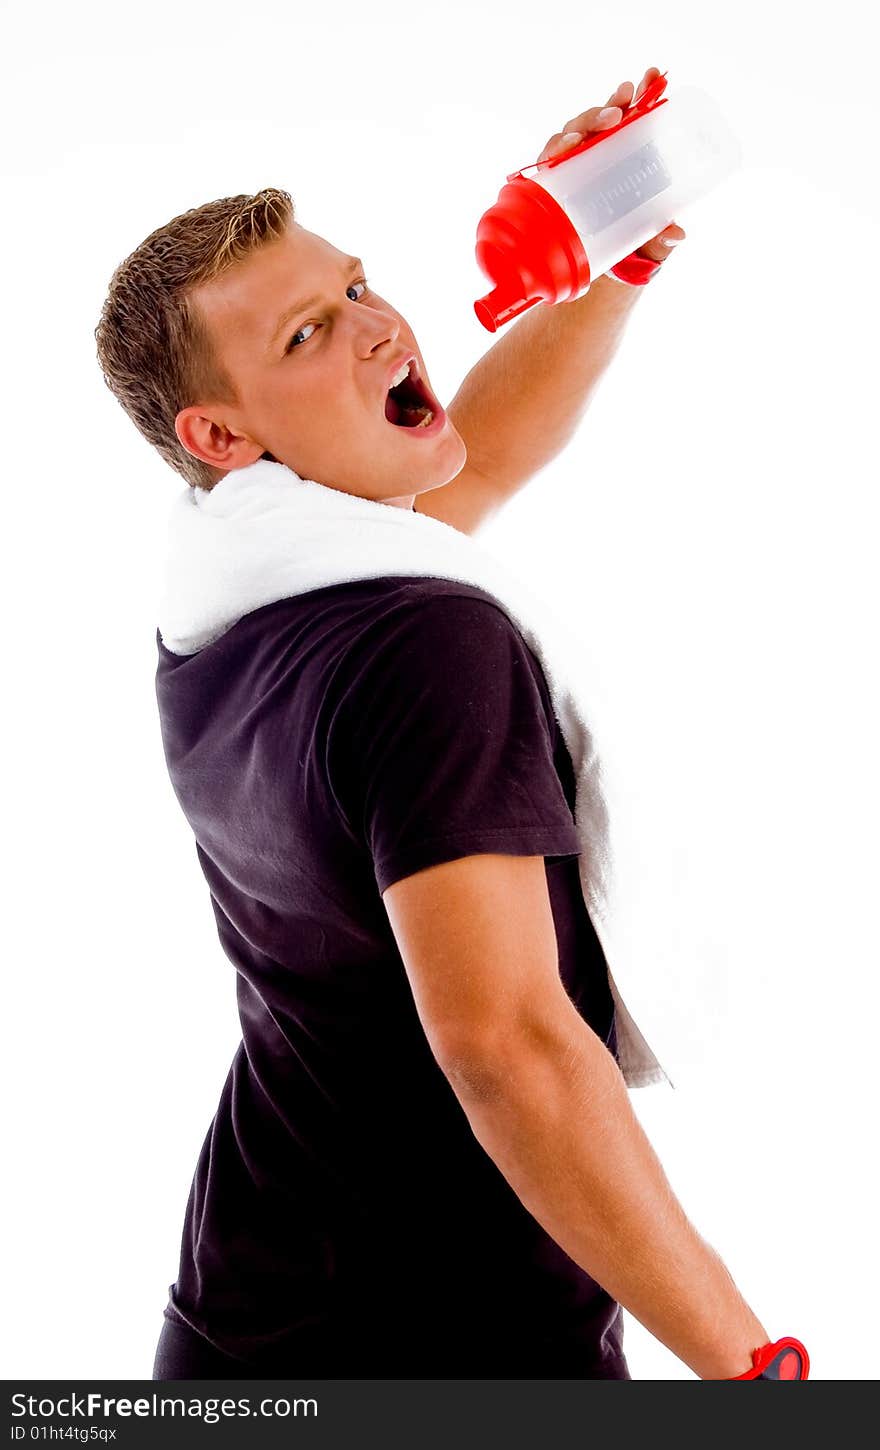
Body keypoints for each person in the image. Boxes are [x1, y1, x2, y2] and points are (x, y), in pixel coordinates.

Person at [95, 75, 796, 1383]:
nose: (376, 328)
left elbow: (462, 464)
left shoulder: (230, 598)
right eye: (308, 333)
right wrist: (756, 1370)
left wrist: (610, 268)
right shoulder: (423, 648)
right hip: (432, 1342)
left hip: (248, 1308)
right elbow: (510, 1043)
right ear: (220, 432)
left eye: (356, 286)